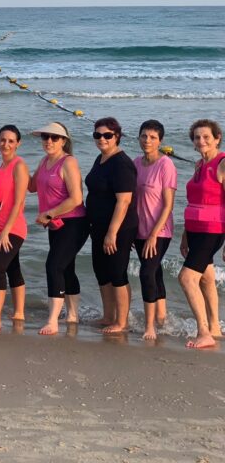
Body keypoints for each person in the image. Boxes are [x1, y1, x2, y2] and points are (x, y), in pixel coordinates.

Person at [29, 122, 89, 335]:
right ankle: (72, 315)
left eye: (54, 138)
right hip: (56, 224)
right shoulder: (44, 161)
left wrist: (49, 213)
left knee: (54, 266)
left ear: (64, 141)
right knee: (66, 268)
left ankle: (52, 320)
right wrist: (13, 162)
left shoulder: (68, 162)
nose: (49, 141)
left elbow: (76, 198)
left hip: (74, 223)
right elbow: (31, 187)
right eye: (45, 137)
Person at [85, 117, 138, 334]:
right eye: (97, 135)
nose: (102, 139)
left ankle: (121, 322)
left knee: (117, 273)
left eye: (107, 135)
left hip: (118, 228)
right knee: (101, 271)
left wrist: (112, 233)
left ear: (117, 136)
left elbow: (124, 202)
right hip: (98, 226)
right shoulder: (100, 158)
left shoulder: (122, 163)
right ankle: (108, 316)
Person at [179, 119, 225, 349]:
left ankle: (203, 332)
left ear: (217, 138)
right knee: (206, 278)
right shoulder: (199, 164)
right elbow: (195, 201)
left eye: (206, 136)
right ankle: (215, 328)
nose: (201, 141)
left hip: (212, 230)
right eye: (197, 137)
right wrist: (185, 235)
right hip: (195, 230)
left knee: (186, 278)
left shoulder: (222, 163)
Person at [133, 120, 177, 340]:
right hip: (139, 231)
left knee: (147, 273)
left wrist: (153, 235)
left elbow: (168, 205)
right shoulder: (135, 163)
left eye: (152, 137)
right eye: (144, 136)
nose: (147, 141)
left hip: (159, 231)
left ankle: (149, 326)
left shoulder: (166, 165)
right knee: (155, 271)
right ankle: (162, 318)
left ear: (160, 141)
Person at [0, 125, 29, 331]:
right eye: (3, 140)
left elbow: (19, 202)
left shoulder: (19, 165)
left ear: (18, 143)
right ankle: (19, 312)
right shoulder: (2, 166)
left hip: (12, 228)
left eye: (11, 141)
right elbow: (1, 197)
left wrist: (5, 231)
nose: (6, 144)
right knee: (13, 268)